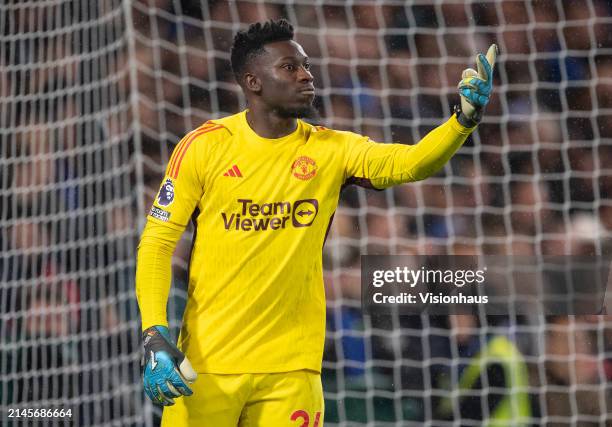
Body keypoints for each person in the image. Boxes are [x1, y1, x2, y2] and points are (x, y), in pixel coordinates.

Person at [135, 18, 497, 426]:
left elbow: (410, 163)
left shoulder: (331, 150)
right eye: (290, 67)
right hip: (207, 365)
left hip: (293, 371)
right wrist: (154, 333)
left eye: (306, 65)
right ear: (253, 82)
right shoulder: (204, 147)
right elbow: (156, 244)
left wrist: (460, 122)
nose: (306, 75)